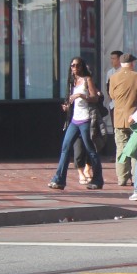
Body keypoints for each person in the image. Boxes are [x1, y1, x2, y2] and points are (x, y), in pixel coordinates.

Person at [48, 57, 104, 190]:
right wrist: (67, 106)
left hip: (86, 120)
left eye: (77, 65)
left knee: (90, 149)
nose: (75, 68)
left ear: (82, 66)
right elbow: (70, 101)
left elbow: (95, 97)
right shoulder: (72, 82)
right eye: (72, 66)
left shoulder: (87, 80)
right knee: (65, 148)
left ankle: (97, 179)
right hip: (74, 120)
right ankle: (59, 179)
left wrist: (81, 96)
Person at [108, 53, 137, 186]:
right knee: (136, 149)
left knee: (121, 148)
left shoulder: (113, 77)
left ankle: (122, 178)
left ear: (121, 64)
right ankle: (136, 177)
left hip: (119, 118)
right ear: (132, 64)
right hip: (136, 118)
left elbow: (112, 95)